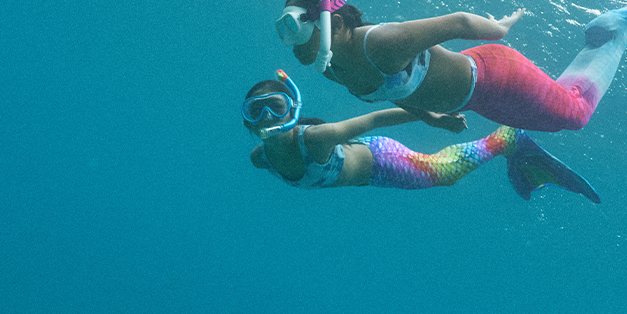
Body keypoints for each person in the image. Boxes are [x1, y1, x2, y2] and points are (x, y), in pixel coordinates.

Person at [276, 0, 627, 133]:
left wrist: (503, 28)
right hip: (479, 99)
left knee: (575, 115)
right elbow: (392, 92)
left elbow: (458, 23)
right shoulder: (333, 67)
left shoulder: (379, 42)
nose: (290, 44)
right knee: (555, 122)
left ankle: (619, 23)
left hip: (496, 74)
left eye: (295, 30)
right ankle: (606, 33)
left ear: (331, 23)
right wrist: (433, 118)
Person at [242, 70, 599, 202]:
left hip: (382, 163)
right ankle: (507, 141)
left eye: (276, 106)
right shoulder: (260, 158)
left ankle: (506, 138)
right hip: (367, 169)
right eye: (256, 111)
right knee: (439, 170)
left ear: (293, 108)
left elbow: (375, 118)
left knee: (443, 174)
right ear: (248, 123)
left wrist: (434, 118)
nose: (268, 117)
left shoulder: (316, 139)